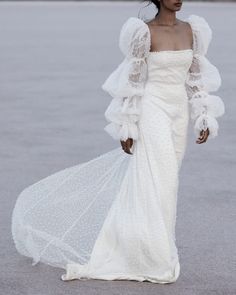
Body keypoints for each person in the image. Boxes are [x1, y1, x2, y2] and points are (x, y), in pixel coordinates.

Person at [11, 0, 225, 284]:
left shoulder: (192, 30)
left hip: (179, 114)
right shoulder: (143, 33)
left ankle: (151, 246)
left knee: (167, 181)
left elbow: (196, 79)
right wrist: (127, 125)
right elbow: (133, 81)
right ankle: (155, 257)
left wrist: (204, 115)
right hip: (152, 110)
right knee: (158, 180)